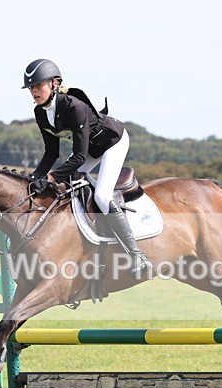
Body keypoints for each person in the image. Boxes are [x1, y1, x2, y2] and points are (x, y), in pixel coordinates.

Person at [22, 58, 151, 278]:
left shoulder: (75, 107)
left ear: (54, 84)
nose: (34, 91)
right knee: (69, 184)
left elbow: (79, 157)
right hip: (90, 146)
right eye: (31, 87)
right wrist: (36, 177)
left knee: (101, 195)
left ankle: (137, 255)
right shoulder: (40, 113)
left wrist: (52, 177)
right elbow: (51, 152)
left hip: (112, 142)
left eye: (38, 85)